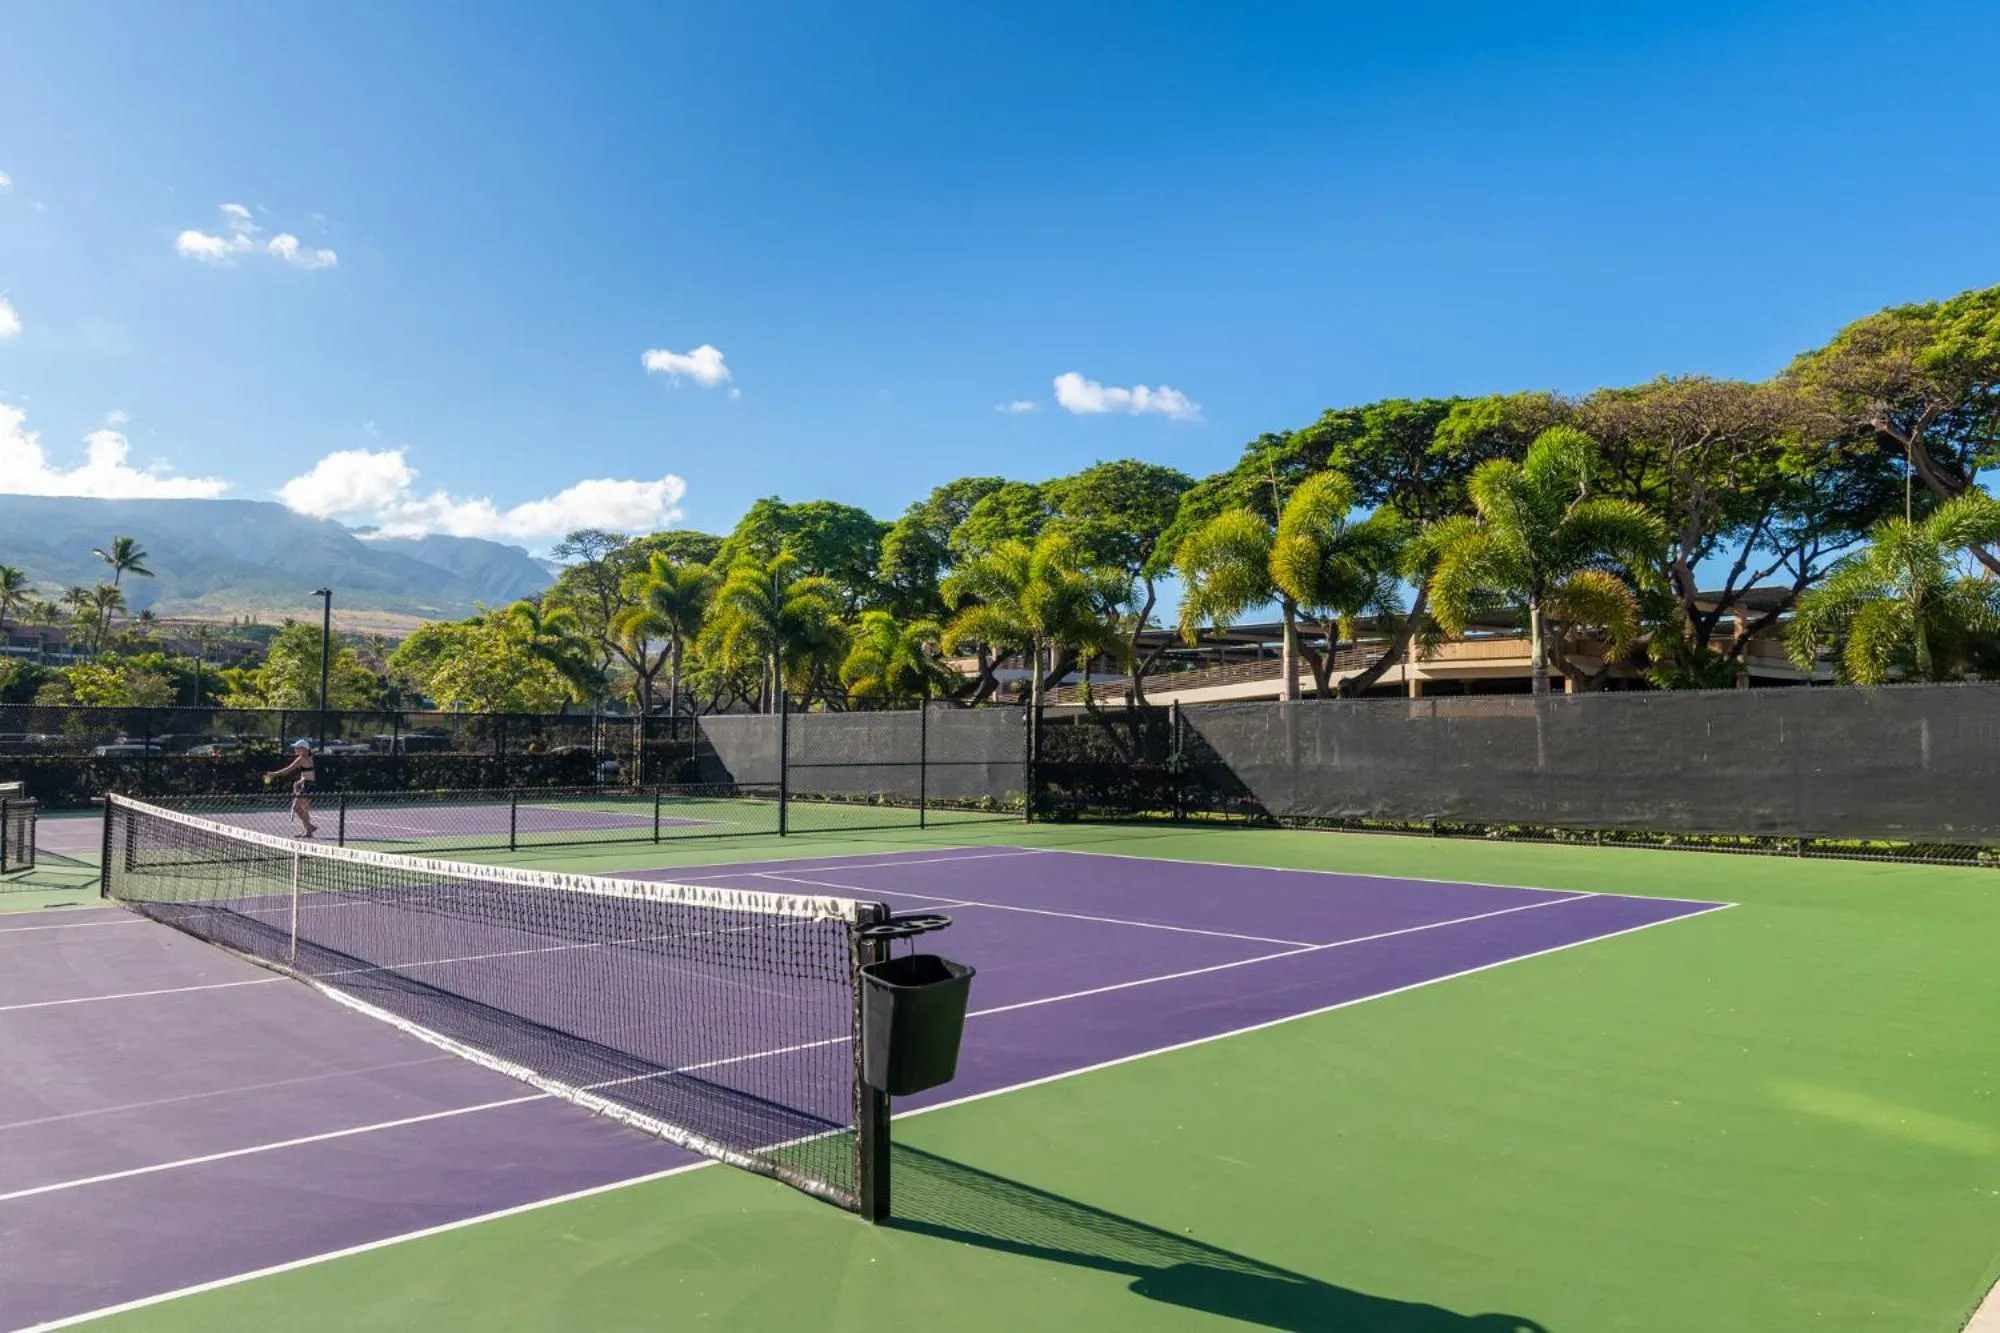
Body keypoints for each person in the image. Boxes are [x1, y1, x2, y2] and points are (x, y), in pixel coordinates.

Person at [265, 739, 320, 838]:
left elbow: (288, 770)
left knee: (297, 808)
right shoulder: (310, 757)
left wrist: (273, 774)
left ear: (304, 749)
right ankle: (307, 830)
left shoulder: (301, 759)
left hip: (308, 787)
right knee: (303, 809)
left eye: (297, 748)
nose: (295, 749)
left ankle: (309, 827)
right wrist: (299, 782)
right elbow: (309, 775)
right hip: (310, 785)